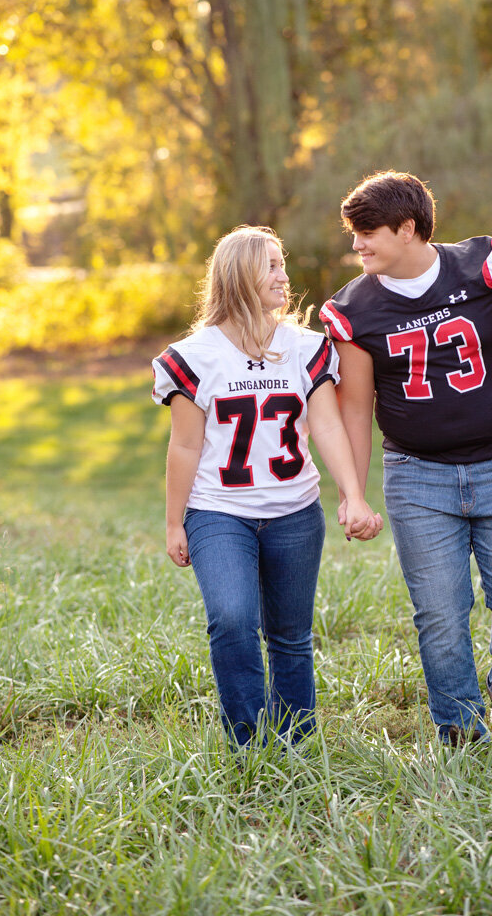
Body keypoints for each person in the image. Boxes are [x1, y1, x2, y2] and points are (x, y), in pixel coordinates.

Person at [319, 171, 492, 745]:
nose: (356, 244)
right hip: (418, 476)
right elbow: (355, 410)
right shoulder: (354, 309)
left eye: (367, 233)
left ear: (408, 229)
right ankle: (460, 730)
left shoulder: (483, 271)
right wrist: (353, 494)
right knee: (440, 614)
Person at [152, 225, 382, 749]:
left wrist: (353, 493)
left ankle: (297, 744)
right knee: (232, 620)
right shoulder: (195, 356)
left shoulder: (304, 347)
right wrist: (173, 522)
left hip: (295, 510)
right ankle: (250, 745)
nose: (285, 276)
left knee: (291, 636)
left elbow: (325, 425)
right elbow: (184, 447)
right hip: (218, 511)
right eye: (272, 266)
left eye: (282, 263)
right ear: (238, 276)